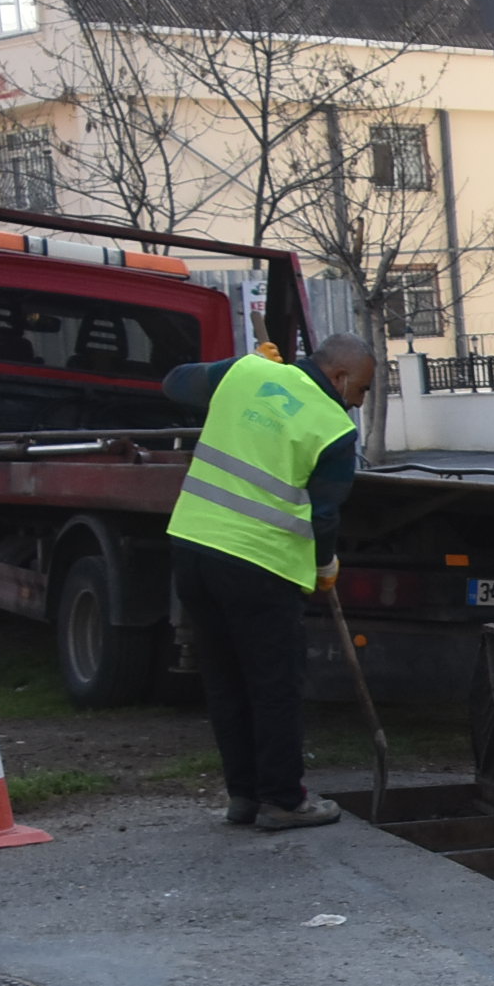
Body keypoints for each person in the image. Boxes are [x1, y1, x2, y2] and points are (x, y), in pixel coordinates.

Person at [161, 334, 379, 831]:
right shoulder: (332, 430)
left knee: (225, 681)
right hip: (260, 566)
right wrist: (324, 566)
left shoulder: (248, 374)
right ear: (340, 377)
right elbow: (324, 517)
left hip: (193, 549)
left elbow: (174, 383)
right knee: (274, 685)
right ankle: (282, 798)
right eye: (362, 390)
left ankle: (243, 796)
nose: (360, 402)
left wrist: (237, 362)